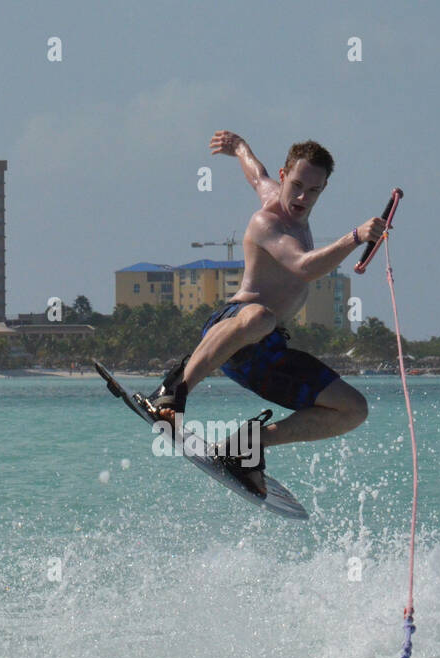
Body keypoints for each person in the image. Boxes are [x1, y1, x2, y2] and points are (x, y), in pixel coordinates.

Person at [149, 131, 385, 496]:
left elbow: (255, 175)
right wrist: (354, 238)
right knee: (260, 317)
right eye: (296, 185)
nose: (302, 197)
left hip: (269, 352)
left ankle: (247, 446)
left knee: (353, 409)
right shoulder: (267, 222)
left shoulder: (280, 197)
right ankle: (173, 392)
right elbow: (303, 267)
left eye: (314, 190)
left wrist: (239, 148)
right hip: (235, 330)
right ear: (285, 175)